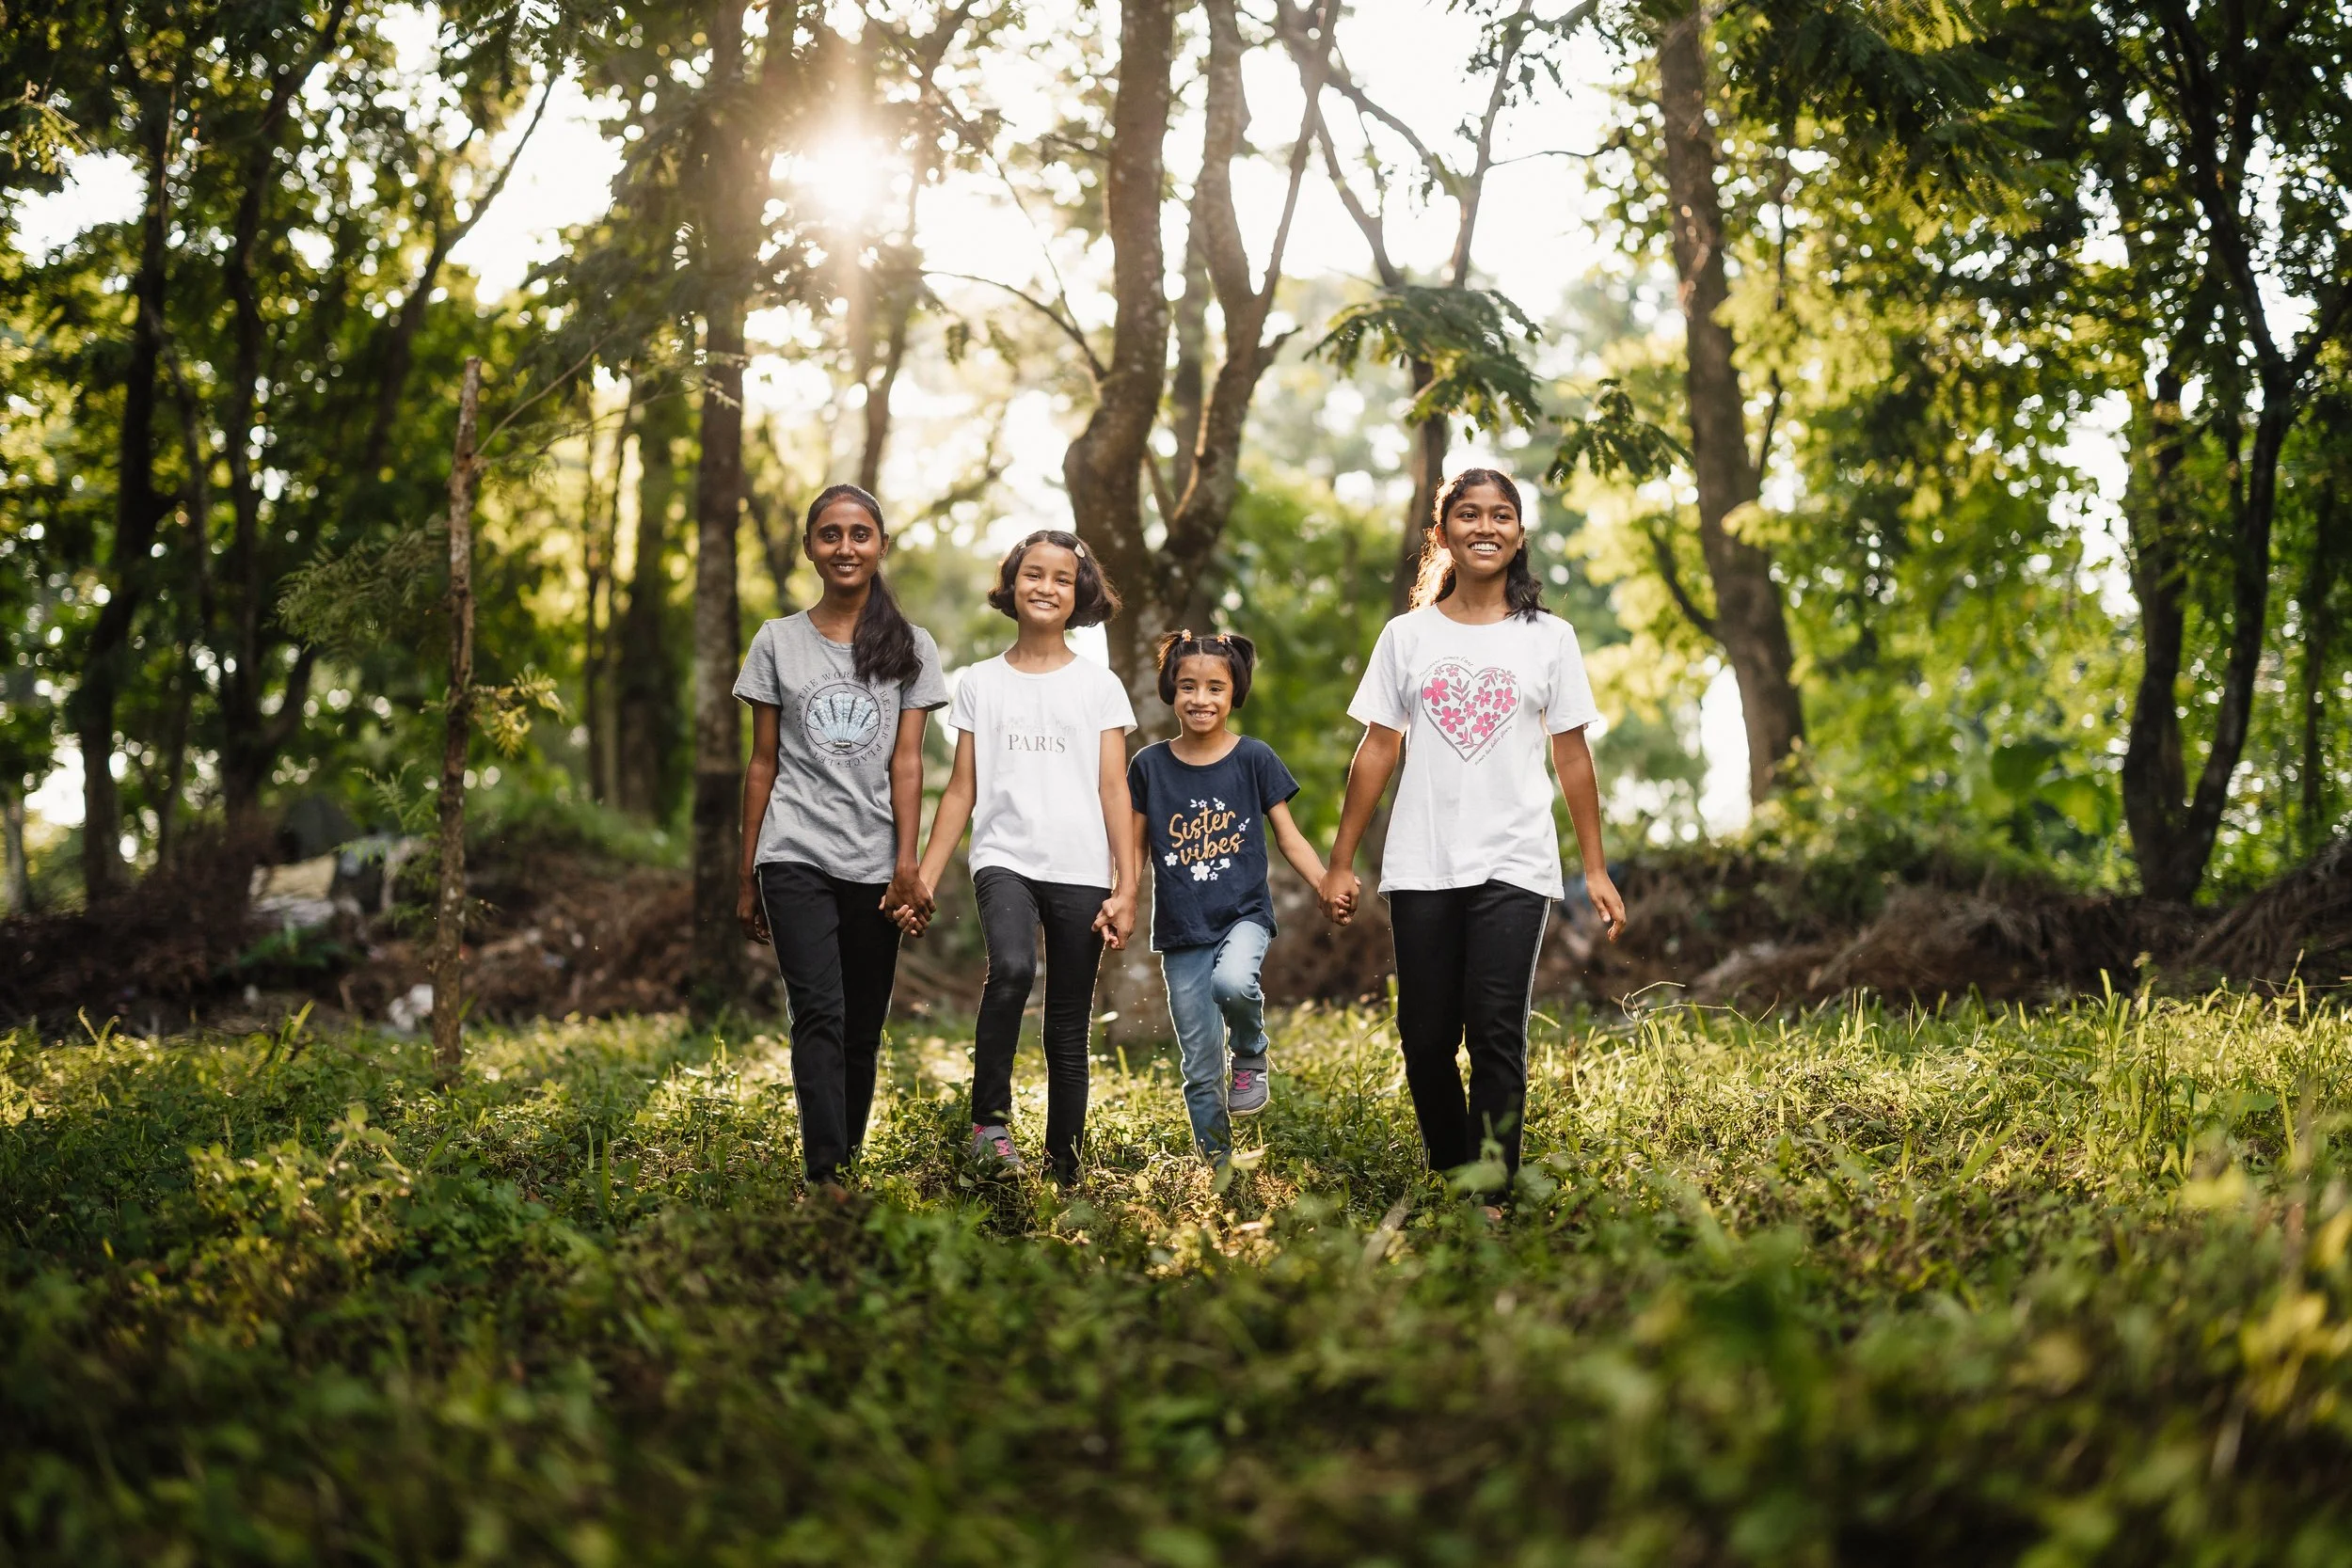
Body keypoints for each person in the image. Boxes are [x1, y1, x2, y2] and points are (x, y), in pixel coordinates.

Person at [1319, 467, 1627, 1210]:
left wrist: (1595, 867)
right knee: (1425, 1039)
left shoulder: (1550, 638)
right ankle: (1454, 1173)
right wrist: (1339, 860)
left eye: (1500, 515)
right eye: (1468, 514)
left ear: (1519, 534)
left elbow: (1572, 756)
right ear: (1442, 532)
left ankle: (1489, 1197)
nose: (1485, 526)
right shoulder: (1407, 636)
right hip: (1422, 860)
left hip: (1516, 861)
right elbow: (1378, 748)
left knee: (1495, 1031)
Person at [905, 529, 1140, 1183]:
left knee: (1068, 1018)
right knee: (1010, 968)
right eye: (1033, 574)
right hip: (1003, 855)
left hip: (1081, 866)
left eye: (1062, 578)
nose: (1046, 587)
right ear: (1012, 585)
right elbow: (961, 789)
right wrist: (923, 877)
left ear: (1079, 593)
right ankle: (990, 1124)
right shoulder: (980, 682)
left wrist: (1126, 887)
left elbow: (1114, 788)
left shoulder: (1100, 686)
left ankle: (1065, 1166)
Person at [734, 483, 949, 1190]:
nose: (845, 547)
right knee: (818, 1011)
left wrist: (906, 865)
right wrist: (747, 873)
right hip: (792, 850)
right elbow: (762, 763)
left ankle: (845, 1166)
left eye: (860, 534)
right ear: (810, 548)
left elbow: (908, 763)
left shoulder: (911, 646)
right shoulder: (776, 641)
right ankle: (824, 1175)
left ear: (881, 546)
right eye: (830, 534)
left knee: (861, 1024)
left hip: (874, 862)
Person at [1125, 630, 1334, 1166]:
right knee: (1199, 1064)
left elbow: (1288, 836)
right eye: (1188, 686)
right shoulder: (1149, 765)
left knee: (1234, 983)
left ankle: (1250, 1053)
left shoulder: (1254, 758)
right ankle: (1217, 1169)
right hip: (1181, 929)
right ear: (1170, 690)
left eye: (1215, 688)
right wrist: (1123, 898)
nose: (1201, 699)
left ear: (1234, 692)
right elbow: (1134, 846)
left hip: (1244, 915)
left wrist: (1325, 882)